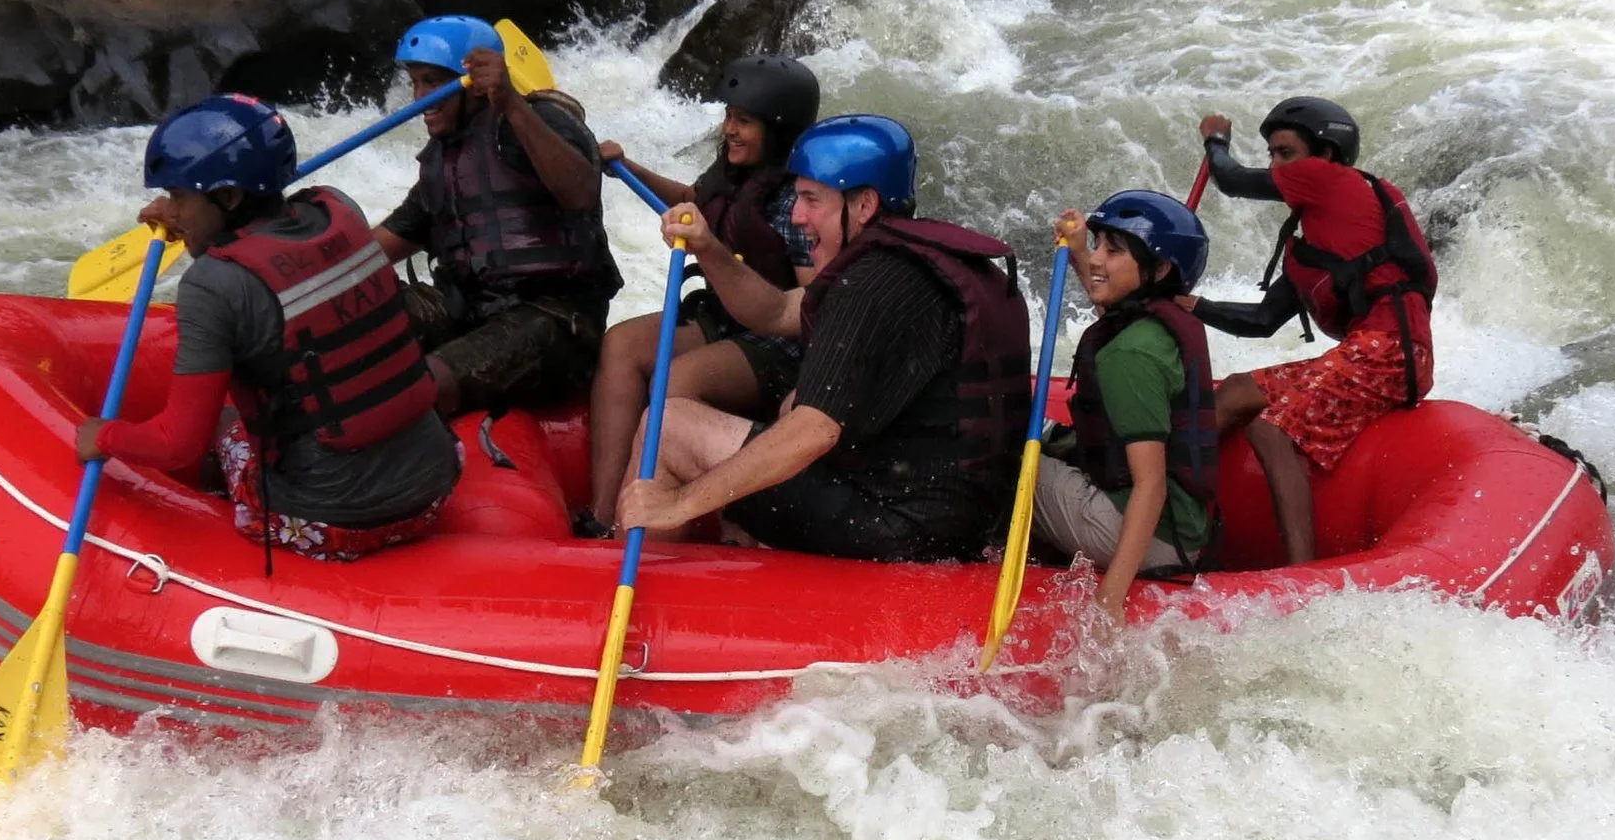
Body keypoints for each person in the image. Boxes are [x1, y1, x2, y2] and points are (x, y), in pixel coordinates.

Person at [613, 114, 1031, 563]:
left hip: (902, 529)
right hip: (962, 517)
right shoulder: (919, 264)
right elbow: (775, 311)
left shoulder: (868, 285)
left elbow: (815, 432)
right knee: (792, 403)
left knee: (670, 426)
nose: (797, 216)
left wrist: (678, 504)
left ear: (864, 205)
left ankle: (627, 574)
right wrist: (709, 248)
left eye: (812, 200)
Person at [74, 94, 462, 564]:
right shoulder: (338, 209)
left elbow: (177, 445)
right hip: (434, 489)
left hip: (331, 522)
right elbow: (266, 244)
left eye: (179, 196)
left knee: (224, 425)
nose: (172, 209)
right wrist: (190, 219)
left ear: (228, 197)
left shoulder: (212, 286)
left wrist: (103, 436)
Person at [582, 54, 822, 533]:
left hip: (779, 342)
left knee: (675, 379)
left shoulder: (798, 202)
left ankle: (659, 525)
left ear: (778, 130)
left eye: (744, 121)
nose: (730, 129)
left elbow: (814, 304)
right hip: (727, 318)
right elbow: (695, 201)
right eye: (729, 116)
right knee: (622, 343)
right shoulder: (734, 173)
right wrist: (627, 168)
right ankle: (603, 516)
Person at [1192, 96, 1437, 564]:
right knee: (1239, 390)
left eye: (1286, 153)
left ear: (1325, 154)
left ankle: (1300, 568)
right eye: (1272, 155)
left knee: (1271, 430)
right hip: (1367, 351)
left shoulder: (1331, 178)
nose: (1276, 166)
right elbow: (1262, 321)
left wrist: (1215, 140)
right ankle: (1167, 518)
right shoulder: (1316, 246)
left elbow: (1233, 179)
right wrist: (1192, 306)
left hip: (1390, 351)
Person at [372, 14, 622, 419]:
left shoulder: (541, 121)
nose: (419, 98)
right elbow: (375, 249)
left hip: (556, 319)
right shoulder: (443, 161)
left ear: (471, 83)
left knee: (429, 381)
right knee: (359, 314)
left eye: (432, 82)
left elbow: (580, 192)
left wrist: (511, 103)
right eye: (415, 82)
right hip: (470, 311)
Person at [1034, 190, 1220, 612]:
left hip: (1155, 541)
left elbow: (1151, 485)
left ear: (1160, 269)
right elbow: (1110, 297)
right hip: (1183, 528)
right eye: (1098, 245)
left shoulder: (1130, 355)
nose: (1098, 259)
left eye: (1113, 251)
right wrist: (1079, 250)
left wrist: (1111, 596)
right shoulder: (1154, 322)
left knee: (1005, 463)